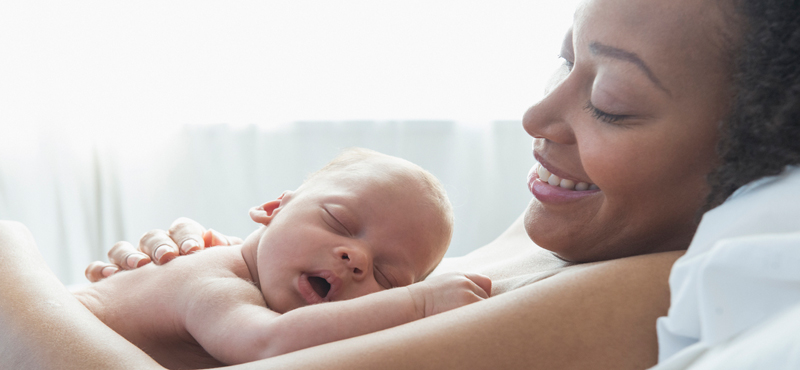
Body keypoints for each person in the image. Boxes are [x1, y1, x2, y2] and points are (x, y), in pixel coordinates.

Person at [2, 0, 796, 368]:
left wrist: (16, 276)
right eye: (566, 56)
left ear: (742, 155)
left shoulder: (647, 290)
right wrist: (197, 275)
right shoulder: (550, 231)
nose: (537, 115)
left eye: (612, 103)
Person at [70, 148, 491, 368]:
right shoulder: (214, 284)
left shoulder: (247, 278)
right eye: (339, 222)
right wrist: (420, 303)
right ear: (274, 209)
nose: (356, 257)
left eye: (386, 276)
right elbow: (271, 344)